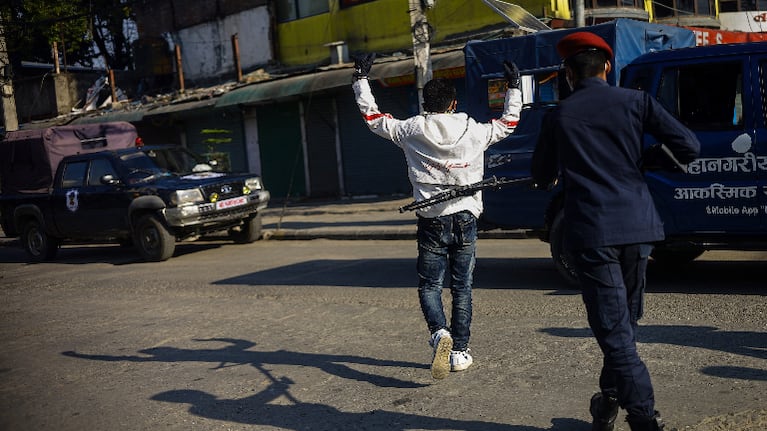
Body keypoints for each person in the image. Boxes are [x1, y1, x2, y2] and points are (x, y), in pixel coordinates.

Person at [531, 32, 700, 431]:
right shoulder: (636, 102)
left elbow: (541, 174)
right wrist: (646, 159)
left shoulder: (559, 116)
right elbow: (688, 146)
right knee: (622, 324)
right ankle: (607, 402)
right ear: (608, 67)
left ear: (569, 74)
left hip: (592, 232)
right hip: (638, 228)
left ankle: (643, 418)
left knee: (615, 331)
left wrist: (558, 172)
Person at [351, 53, 523, 379]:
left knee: (430, 284)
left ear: (424, 103)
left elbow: (372, 117)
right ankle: (459, 352)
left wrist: (361, 79)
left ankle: (439, 333)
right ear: (454, 103)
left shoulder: (411, 129)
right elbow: (509, 123)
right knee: (463, 287)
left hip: (431, 218)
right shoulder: (474, 129)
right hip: (467, 217)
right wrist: (514, 88)